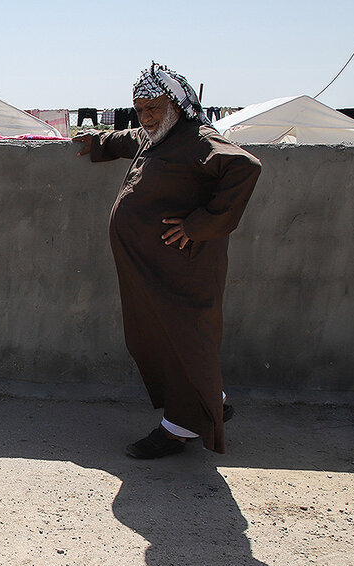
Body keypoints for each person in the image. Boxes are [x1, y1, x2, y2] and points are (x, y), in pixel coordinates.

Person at [73, 62, 262, 459]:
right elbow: (133, 139)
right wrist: (100, 143)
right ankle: (212, 402)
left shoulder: (198, 139)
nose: (146, 117)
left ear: (178, 104)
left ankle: (179, 430)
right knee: (165, 340)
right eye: (140, 109)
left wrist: (200, 225)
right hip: (155, 272)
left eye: (154, 108)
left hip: (183, 270)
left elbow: (245, 167)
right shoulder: (162, 135)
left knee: (183, 341)